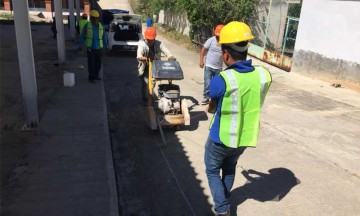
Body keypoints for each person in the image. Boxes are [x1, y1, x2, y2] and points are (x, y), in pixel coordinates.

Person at [204, 21, 272, 216]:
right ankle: (224, 199)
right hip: (244, 138)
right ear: (246, 47)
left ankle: (222, 209)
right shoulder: (263, 75)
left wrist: (210, 106)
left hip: (221, 138)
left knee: (212, 170)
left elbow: (212, 108)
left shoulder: (222, 80)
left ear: (225, 54)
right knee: (230, 168)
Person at [137, 27, 174, 102]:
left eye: (151, 39)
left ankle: (150, 97)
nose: (149, 41)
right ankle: (145, 99)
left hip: (155, 67)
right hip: (145, 68)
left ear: (154, 38)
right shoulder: (142, 45)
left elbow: (167, 52)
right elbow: (139, 56)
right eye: (148, 39)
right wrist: (145, 58)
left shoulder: (159, 43)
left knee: (152, 84)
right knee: (146, 83)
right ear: (145, 37)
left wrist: (170, 57)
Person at [78, 10, 108, 83]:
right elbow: (82, 36)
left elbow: (104, 37)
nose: (95, 20)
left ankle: (96, 76)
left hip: (99, 49)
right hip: (90, 48)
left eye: (96, 18)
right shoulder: (87, 25)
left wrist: (106, 46)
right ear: (91, 18)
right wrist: (80, 45)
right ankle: (91, 77)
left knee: (98, 64)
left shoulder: (101, 26)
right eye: (94, 18)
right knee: (91, 63)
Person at [199, 24, 224, 105]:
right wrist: (201, 61)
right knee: (207, 82)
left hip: (218, 67)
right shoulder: (211, 40)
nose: (218, 37)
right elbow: (203, 49)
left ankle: (214, 99)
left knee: (216, 84)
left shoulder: (225, 43)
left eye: (219, 35)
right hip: (209, 66)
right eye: (216, 35)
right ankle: (206, 97)